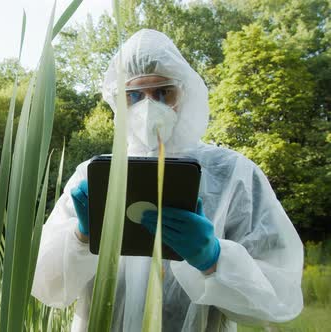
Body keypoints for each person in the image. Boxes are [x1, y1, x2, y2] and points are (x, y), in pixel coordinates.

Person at [31, 29, 304, 331]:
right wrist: (81, 238)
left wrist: (214, 259)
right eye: (133, 95)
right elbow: (47, 286)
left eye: (163, 92)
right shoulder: (92, 175)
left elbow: (279, 300)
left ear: (184, 93)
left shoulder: (232, 174)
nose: (148, 106)